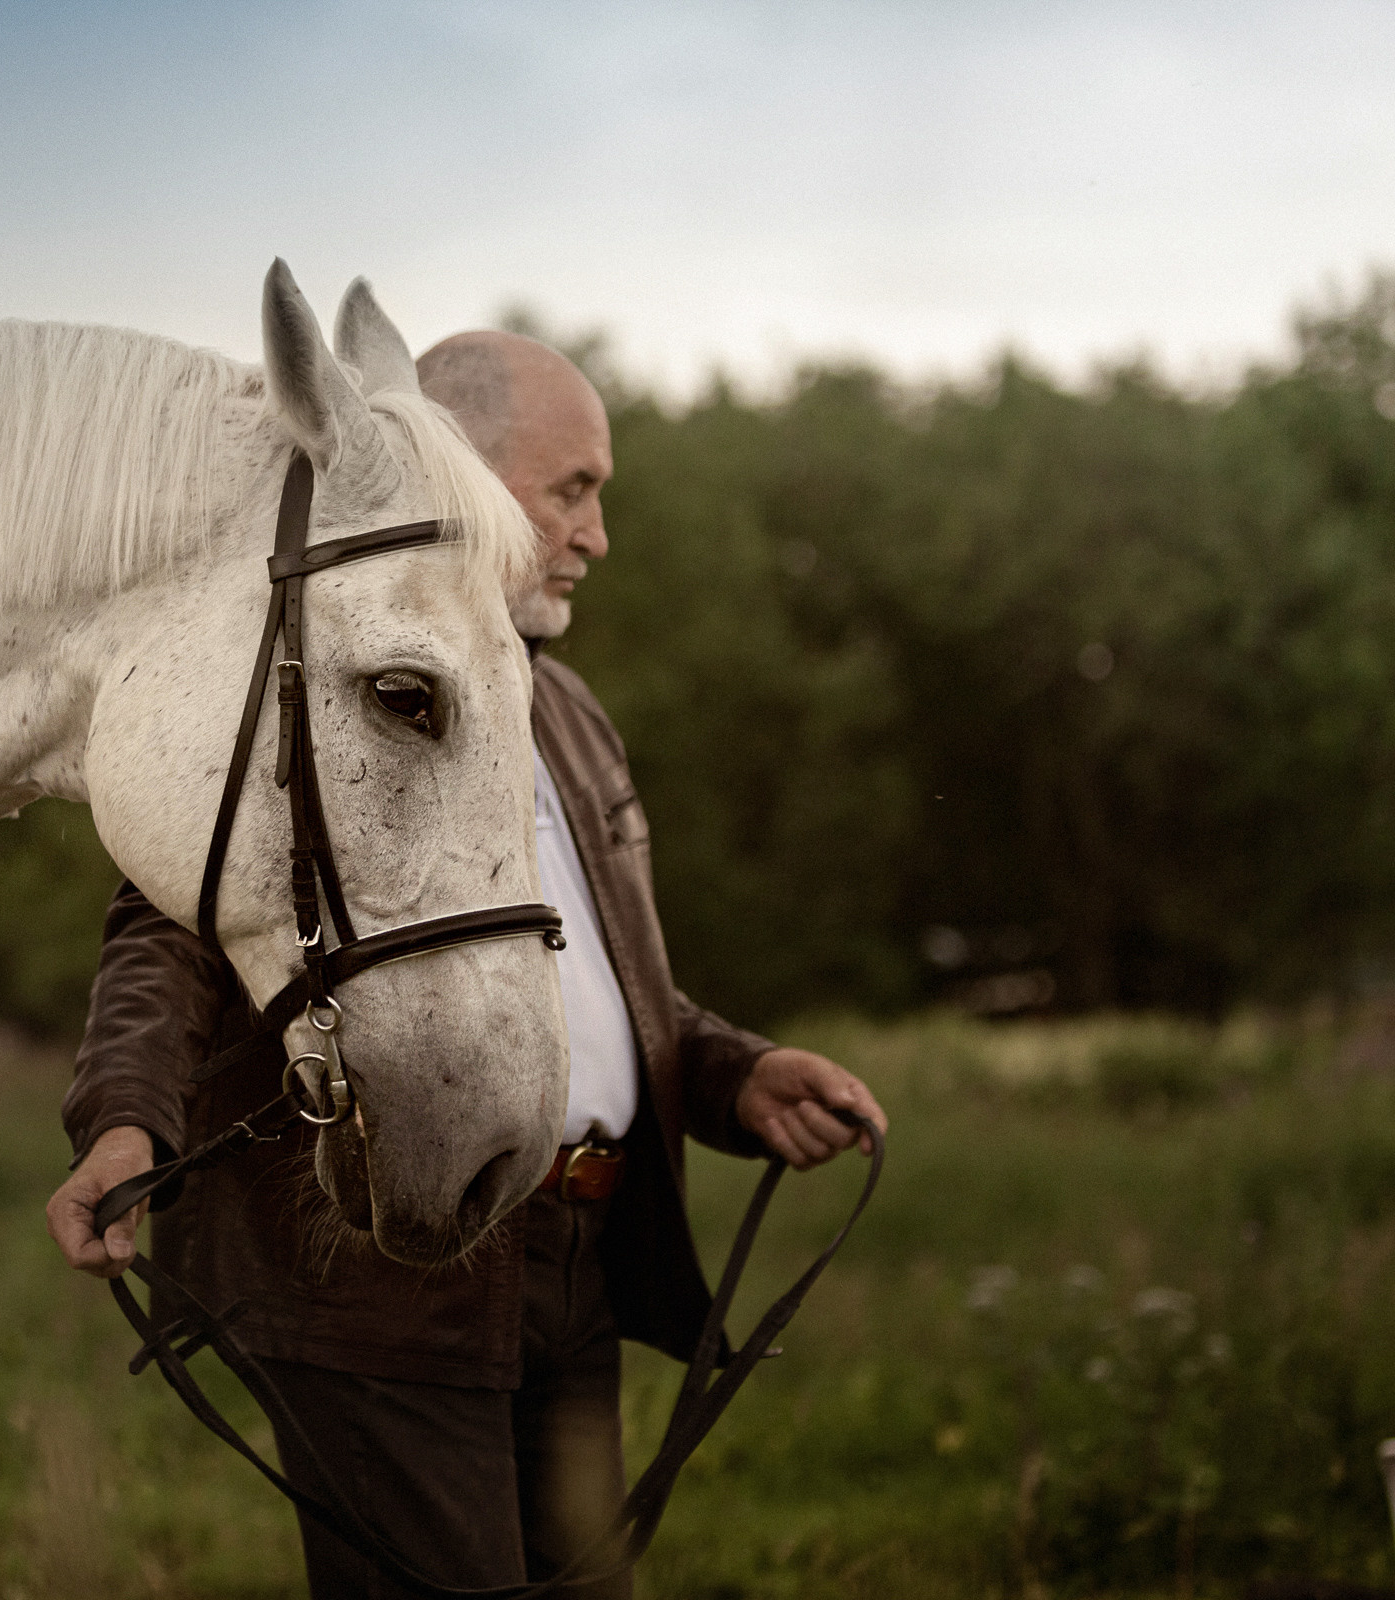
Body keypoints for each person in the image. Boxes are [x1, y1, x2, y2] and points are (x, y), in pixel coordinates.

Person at [46, 330, 886, 1598]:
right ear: (464, 476)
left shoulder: (571, 712)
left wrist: (734, 1074)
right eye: (572, 490)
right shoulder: (333, 686)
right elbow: (169, 925)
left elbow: (586, 980)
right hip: (384, 1273)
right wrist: (124, 1119)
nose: (597, 534)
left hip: (577, 1259)